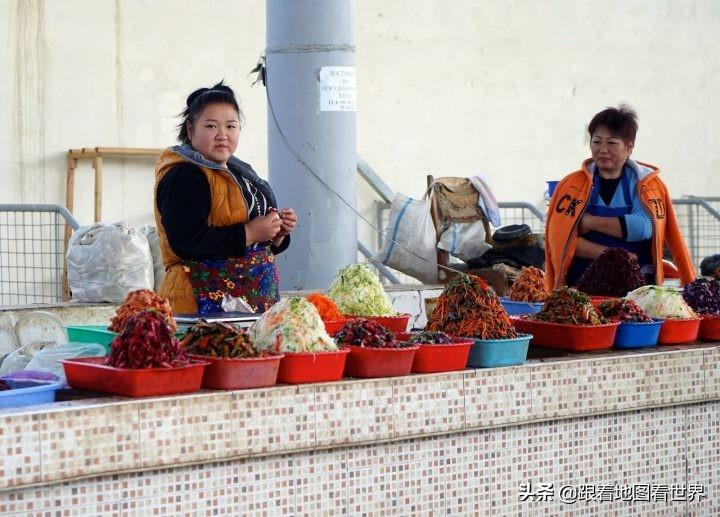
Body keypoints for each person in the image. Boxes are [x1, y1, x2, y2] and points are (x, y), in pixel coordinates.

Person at [154, 81, 297, 314]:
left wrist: (276, 234)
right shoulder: (182, 174)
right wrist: (250, 232)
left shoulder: (241, 174)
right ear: (190, 130)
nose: (222, 135)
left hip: (252, 303)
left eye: (231, 126)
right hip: (199, 305)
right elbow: (186, 241)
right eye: (211, 126)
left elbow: (252, 242)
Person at [545, 105, 695, 291]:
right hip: (581, 289)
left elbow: (644, 227)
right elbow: (562, 240)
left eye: (612, 143)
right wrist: (616, 254)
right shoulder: (571, 186)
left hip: (638, 290)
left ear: (629, 147)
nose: (602, 149)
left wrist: (588, 222)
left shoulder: (647, 185)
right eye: (597, 141)